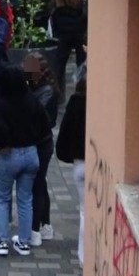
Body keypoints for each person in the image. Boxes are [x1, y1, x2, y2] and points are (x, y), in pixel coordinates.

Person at [0, 65, 51, 257]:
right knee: (25, 199)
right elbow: (45, 124)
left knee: (1, 197)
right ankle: (24, 242)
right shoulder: (31, 100)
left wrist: (0, 144)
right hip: (31, 153)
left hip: (9, 154)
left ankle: (1, 241)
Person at [25, 51, 60, 246]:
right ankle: (44, 224)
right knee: (40, 183)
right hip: (40, 141)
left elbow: (38, 116)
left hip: (40, 143)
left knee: (37, 185)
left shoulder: (46, 91)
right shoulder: (40, 88)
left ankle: (36, 228)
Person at [55, 70, 87, 264]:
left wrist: (66, 154)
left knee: (84, 210)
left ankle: (83, 255)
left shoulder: (75, 103)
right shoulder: (100, 104)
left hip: (79, 162)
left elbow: (65, 132)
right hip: (96, 161)